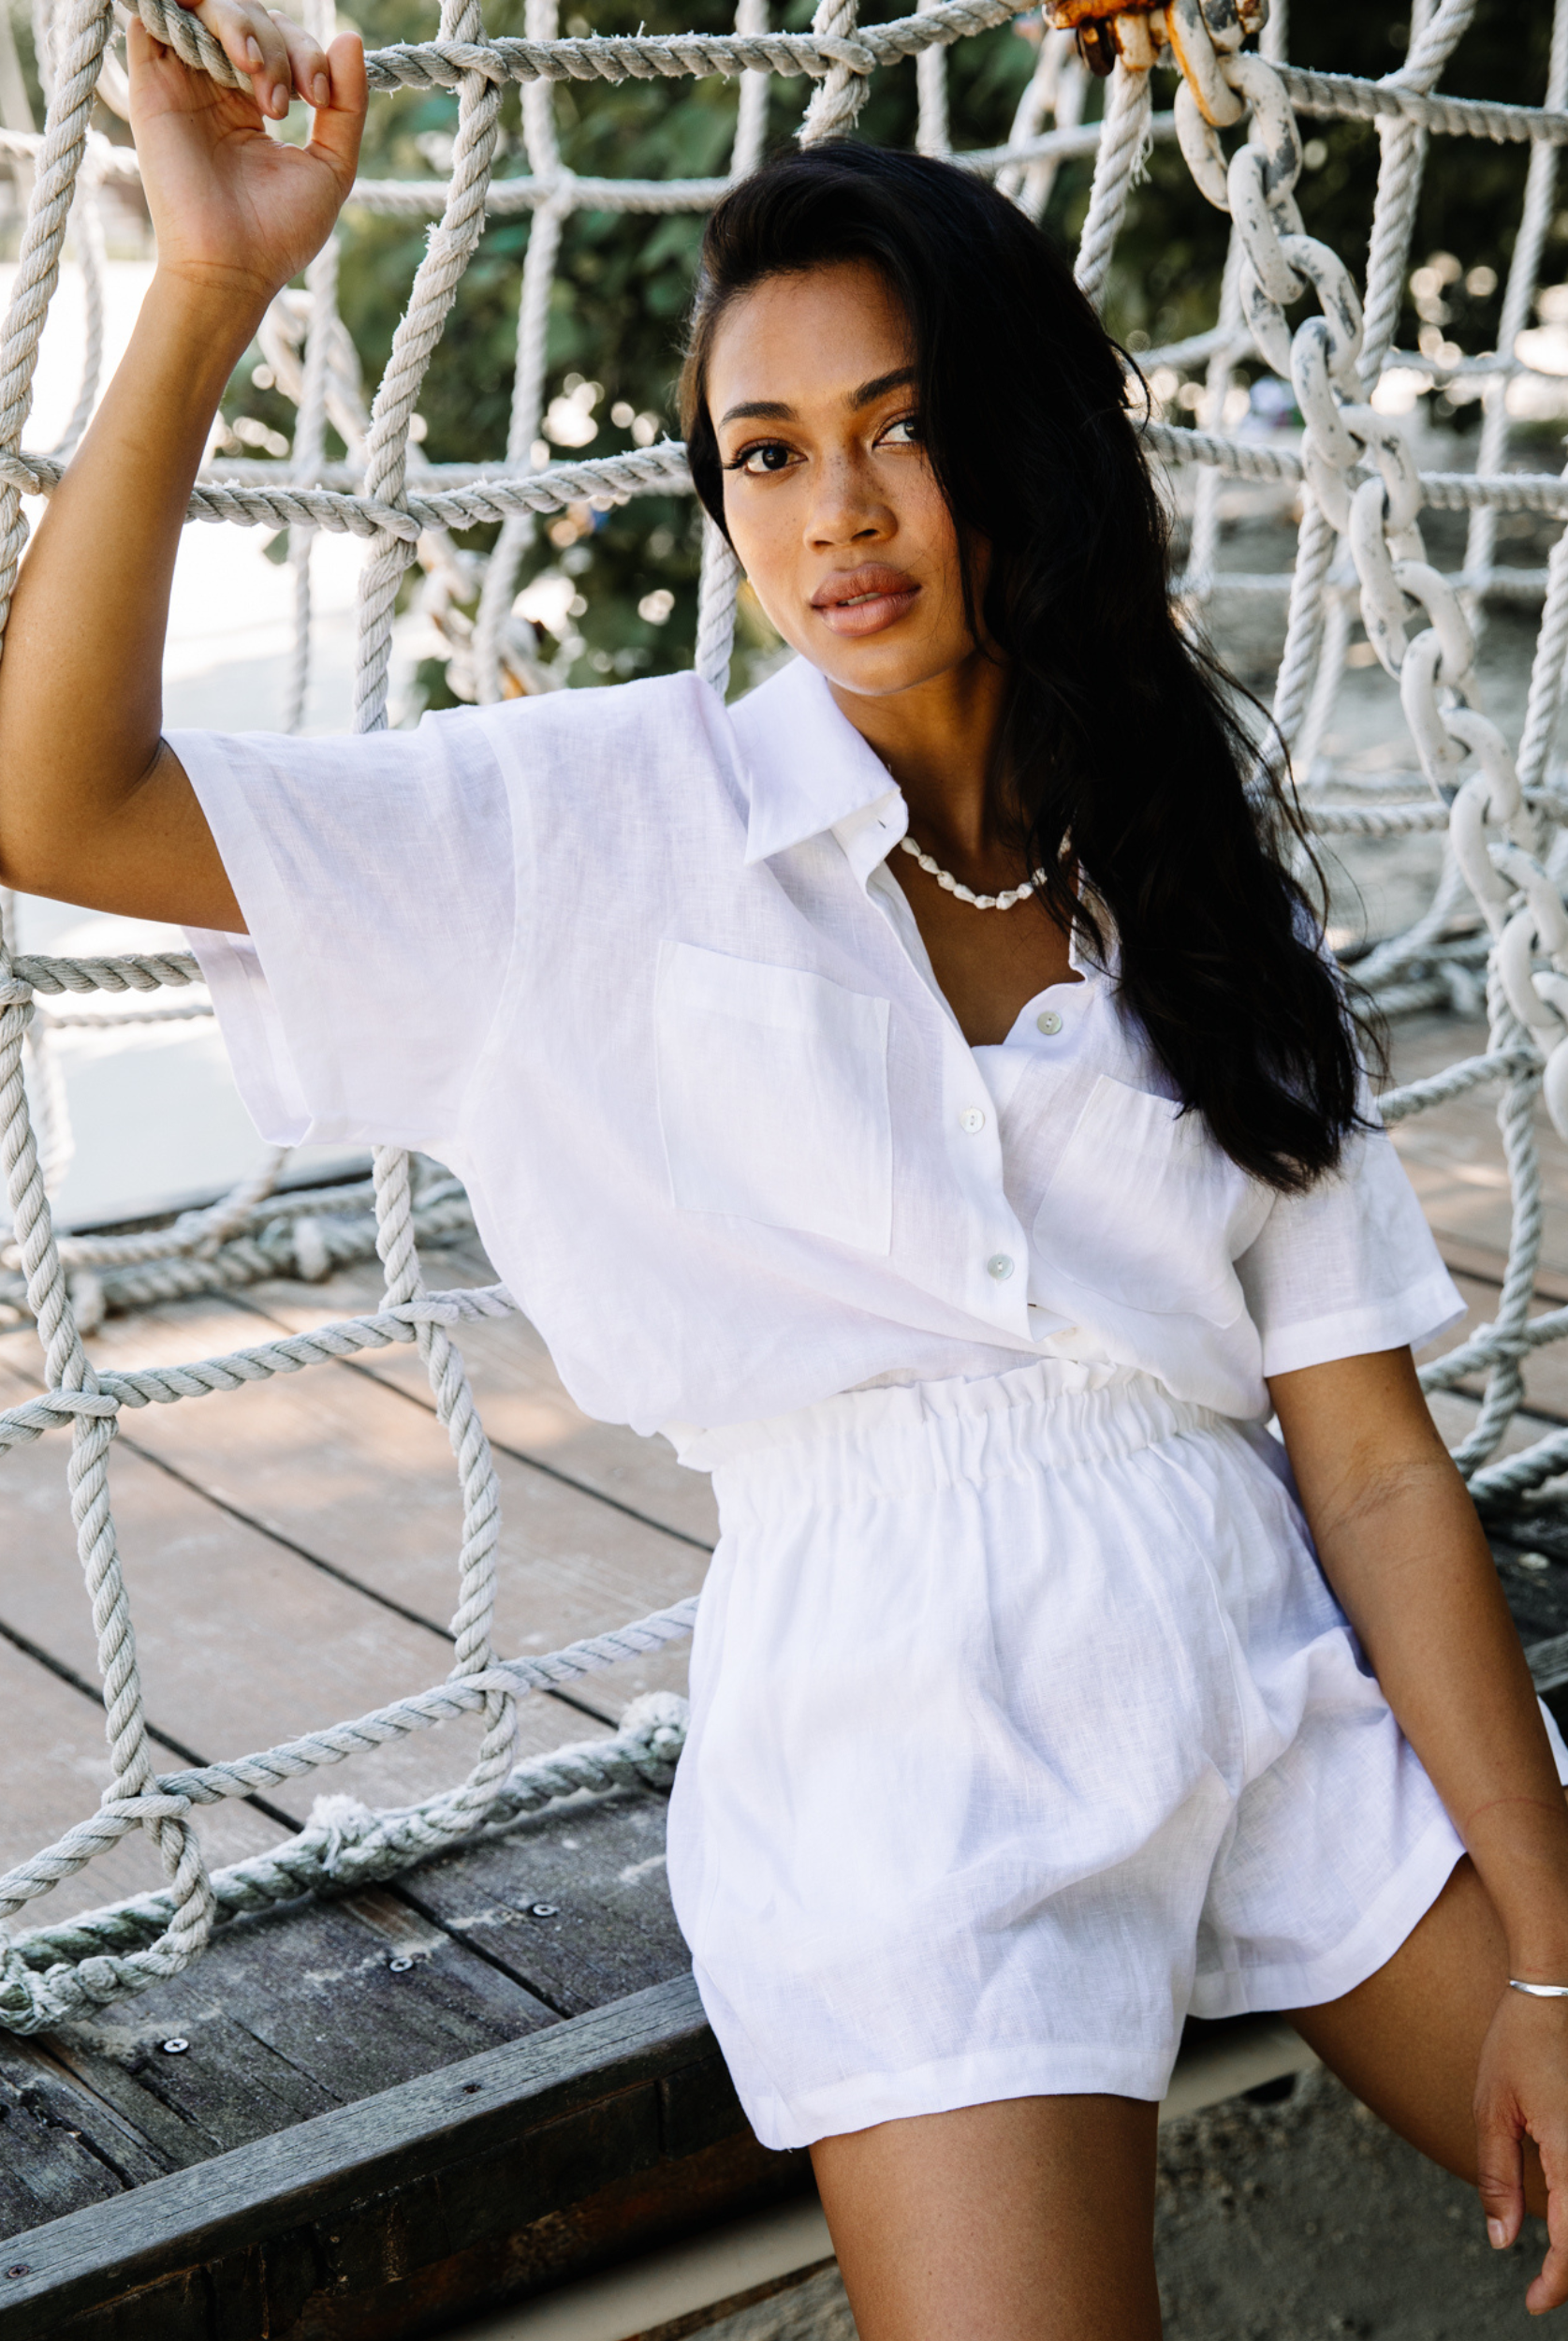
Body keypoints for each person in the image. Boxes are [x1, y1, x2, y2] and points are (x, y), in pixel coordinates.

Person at [2, 11, 1567, 2333]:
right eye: (765, 453)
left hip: (1264, 1650)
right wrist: (213, 293)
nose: (836, 510)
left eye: (901, 429)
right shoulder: (595, 825)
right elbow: (63, 803)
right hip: (905, 1730)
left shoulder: (1188, 869)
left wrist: (1550, 1951)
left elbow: (1363, 1464)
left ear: (1022, 439)